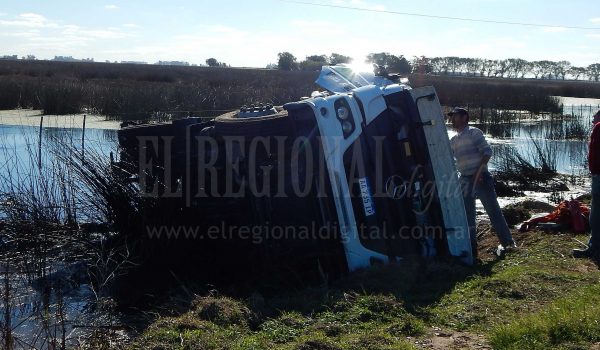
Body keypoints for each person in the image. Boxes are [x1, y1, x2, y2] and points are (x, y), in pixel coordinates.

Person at [448, 107, 516, 259]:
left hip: (481, 178)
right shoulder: (453, 139)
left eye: (455, 116)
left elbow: (487, 152)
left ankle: (508, 244)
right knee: (467, 215)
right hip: (465, 179)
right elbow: (449, 159)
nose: (452, 119)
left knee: (493, 211)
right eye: (451, 116)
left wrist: (478, 173)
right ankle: (472, 248)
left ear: (465, 117)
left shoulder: (474, 132)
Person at [573, 110, 600, 259]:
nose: (592, 121)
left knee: (595, 216)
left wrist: (594, 172)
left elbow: (594, 155)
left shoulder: (598, 128)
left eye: (594, 117)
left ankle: (594, 248)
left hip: (599, 177)